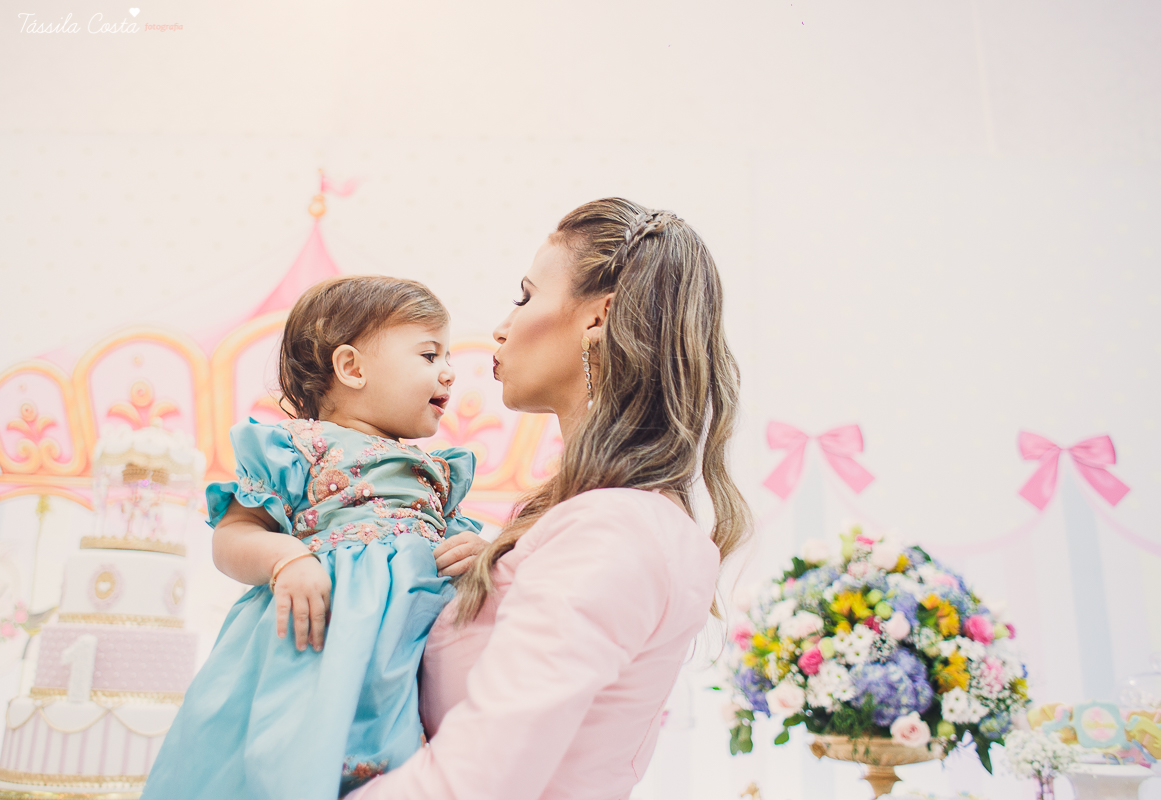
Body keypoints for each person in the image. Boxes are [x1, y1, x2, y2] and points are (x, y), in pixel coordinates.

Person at [346, 198, 751, 800]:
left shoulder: (615, 528)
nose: (502, 327)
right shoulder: (613, 520)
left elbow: (475, 781)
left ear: (599, 317)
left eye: (525, 295)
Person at [142, 276, 482, 800]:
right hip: (315, 642)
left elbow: (455, 546)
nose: (449, 372)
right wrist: (285, 559)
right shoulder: (298, 447)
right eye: (429, 354)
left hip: (408, 650)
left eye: (448, 355)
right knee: (294, 757)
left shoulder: (438, 470)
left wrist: (481, 553)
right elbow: (232, 535)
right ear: (352, 368)